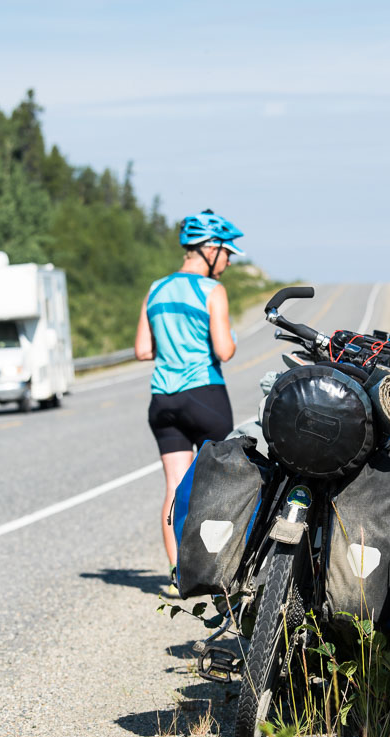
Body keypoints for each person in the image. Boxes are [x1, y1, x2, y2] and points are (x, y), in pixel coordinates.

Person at [135, 209, 241, 590]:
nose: (228, 261)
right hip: (204, 395)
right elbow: (224, 350)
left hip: (163, 399)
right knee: (222, 486)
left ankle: (178, 572)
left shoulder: (156, 289)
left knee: (174, 487)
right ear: (209, 249)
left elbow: (143, 350)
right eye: (227, 252)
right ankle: (219, 569)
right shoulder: (213, 290)